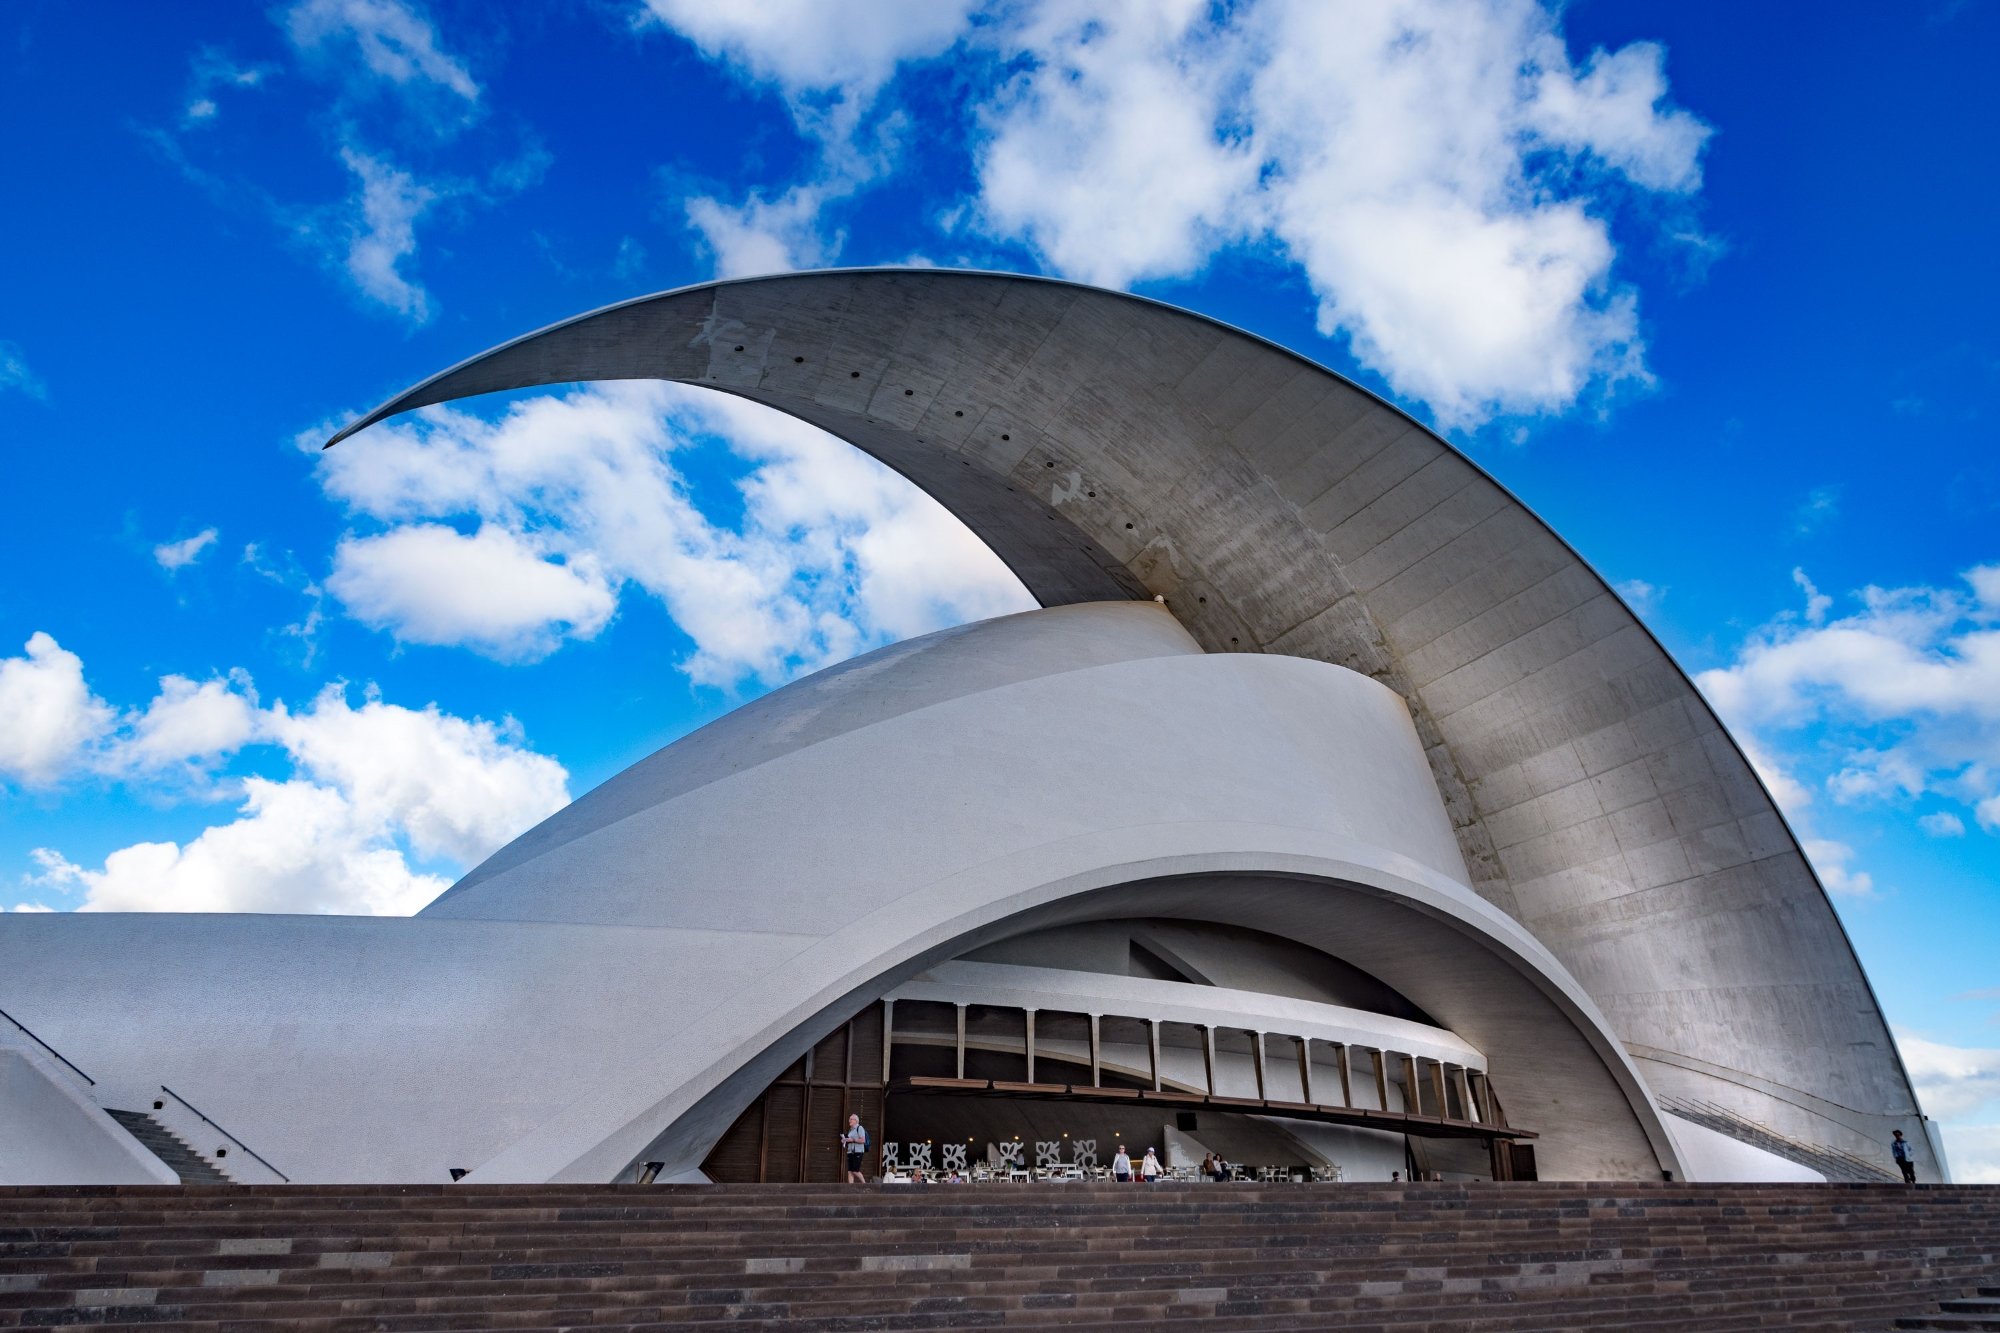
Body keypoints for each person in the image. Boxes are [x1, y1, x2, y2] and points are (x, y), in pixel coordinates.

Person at [840, 1113, 868, 1185]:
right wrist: (844, 1140)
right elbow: (850, 1140)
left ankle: (865, 1184)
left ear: (856, 1120)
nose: (849, 1120)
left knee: (855, 1170)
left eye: (851, 1119)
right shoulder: (851, 1130)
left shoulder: (860, 1128)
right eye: (849, 1119)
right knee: (850, 1171)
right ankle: (850, 1188)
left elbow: (863, 1140)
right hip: (850, 1152)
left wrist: (852, 1140)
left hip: (858, 1152)